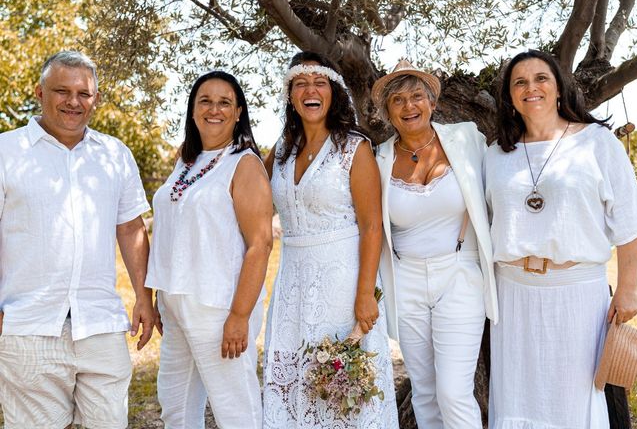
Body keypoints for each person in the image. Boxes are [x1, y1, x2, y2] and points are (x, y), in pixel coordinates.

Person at [485, 49, 637, 428]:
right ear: (509, 95)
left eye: (541, 78)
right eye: (519, 81)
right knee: (517, 401)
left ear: (559, 88)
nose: (530, 87)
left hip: (577, 296)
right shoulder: (495, 154)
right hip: (513, 297)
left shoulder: (597, 143)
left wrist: (629, 289)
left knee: (575, 403)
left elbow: (630, 223)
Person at [0, 51, 154, 428]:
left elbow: (131, 228)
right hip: (28, 325)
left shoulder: (115, 155)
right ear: (39, 92)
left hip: (100, 324)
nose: (73, 101)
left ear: (96, 99)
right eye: (61, 91)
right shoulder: (6, 152)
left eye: (83, 93)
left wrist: (144, 297)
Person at [262, 51, 399, 428]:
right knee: (296, 384)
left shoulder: (354, 148)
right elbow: (251, 198)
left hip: (343, 284)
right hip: (292, 283)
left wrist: (365, 294)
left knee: (345, 387)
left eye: (319, 82)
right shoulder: (281, 149)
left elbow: (372, 227)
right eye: (300, 84)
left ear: (333, 92)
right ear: (290, 95)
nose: (310, 90)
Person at [371, 60, 498, 428]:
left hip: (459, 275)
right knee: (425, 392)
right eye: (398, 100)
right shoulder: (378, 158)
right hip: (406, 279)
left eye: (416, 97)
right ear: (387, 112)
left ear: (430, 102)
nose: (409, 107)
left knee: (454, 392)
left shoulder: (466, 139)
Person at [145, 70, 272, 429]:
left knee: (236, 411)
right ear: (192, 110)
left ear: (238, 112)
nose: (214, 109)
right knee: (176, 407)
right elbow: (176, 231)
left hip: (219, 306)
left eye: (224, 103)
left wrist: (239, 316)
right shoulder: (185, 161)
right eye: (205, 101)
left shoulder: (244, 164)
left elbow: (260, 244)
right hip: (176, 302)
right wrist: (161, 296)